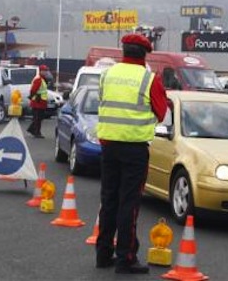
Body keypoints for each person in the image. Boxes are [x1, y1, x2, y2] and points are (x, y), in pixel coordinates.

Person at [95, 33, 167, 274]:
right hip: (134, 149)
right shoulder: (149, 79)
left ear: (123, 51)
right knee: (129, 203)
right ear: (145, 54)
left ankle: (103, 254)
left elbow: (103, 102)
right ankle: (126, 257)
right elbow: (161, 113)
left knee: (109, 200)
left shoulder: (107, 75)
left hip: (108, 146)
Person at [27, 64, 49, 138]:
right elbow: (33, 90)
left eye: (46, 70)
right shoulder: (38, 79)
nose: (46, 72)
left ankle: (33, 130)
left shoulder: (43, 78)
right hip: (38, 102)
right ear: (40, 71)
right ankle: (37, 132)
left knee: (40, 118)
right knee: (37, 118)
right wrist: (33, 96)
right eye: (44, 70)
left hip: (41, 102)